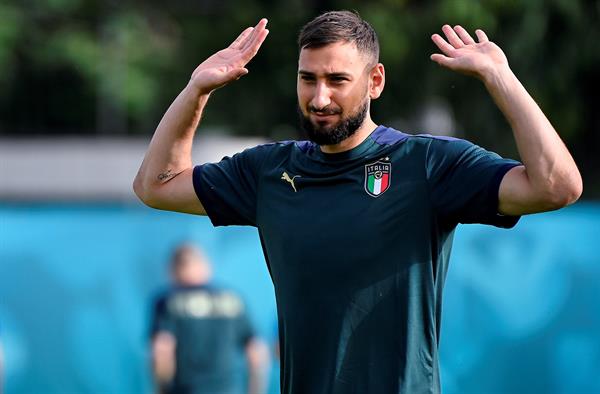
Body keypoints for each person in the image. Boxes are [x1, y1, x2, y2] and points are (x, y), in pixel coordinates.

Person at [134, 10, 582, 394]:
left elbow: (557, 185)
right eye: (307, 79)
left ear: (375, 81)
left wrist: (500, 78)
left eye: (337, 80)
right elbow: (157, 185)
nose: (319, 97)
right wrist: (197, 89)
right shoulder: (268, 172)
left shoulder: (426, 163)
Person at [150, 244, 268, 394]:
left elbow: (162, 349)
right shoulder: (233, 299)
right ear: (205, 265)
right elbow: (256, 350)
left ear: (174, 268)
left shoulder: (168, 300)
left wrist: (161, 390)